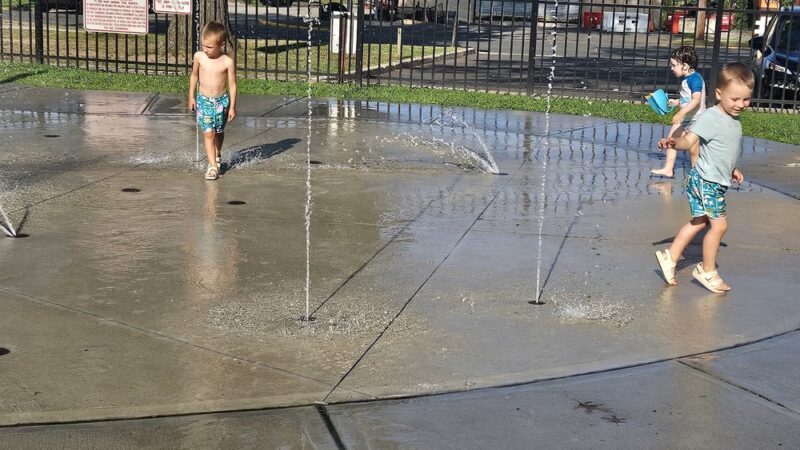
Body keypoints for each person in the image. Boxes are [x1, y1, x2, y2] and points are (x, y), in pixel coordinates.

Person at [654, 62, 754, 294]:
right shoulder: (710, 117)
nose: (741, 104)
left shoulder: (733, 119)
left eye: (746, 99)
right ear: (719, 94)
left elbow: (723, 149)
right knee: (720, 225)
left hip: (710, 179)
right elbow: (689, 141)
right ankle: (707, 271)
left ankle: (670, 257)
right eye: (735, 99)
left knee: (699, 222)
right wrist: (674, 143)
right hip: (707, 182)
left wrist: (732, 168)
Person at [189, 21, 237, 181]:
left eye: (209, 47)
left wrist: (232, 107)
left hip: (221, 102)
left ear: (221, 45)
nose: (206, 49)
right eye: (204, 45)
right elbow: (194, 76)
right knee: (209, 134)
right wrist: (191, 96)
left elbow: (232, 84)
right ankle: (212, 167)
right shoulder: (199, 57)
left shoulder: (227, 62)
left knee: (218, 132)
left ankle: (217, 154)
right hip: (204, 102)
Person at [651, 46, 706, 178]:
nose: (671, 68)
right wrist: (676, 102)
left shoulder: (695, 79)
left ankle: (696, 174)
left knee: (694, 150)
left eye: (674, 65)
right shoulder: (687, 79)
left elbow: (696, 100)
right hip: (687, 118)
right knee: (671, 140)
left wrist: (681, 113)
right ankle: (668, 169)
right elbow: (687, 99)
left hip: (696, 120)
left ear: (685, 66)